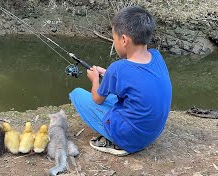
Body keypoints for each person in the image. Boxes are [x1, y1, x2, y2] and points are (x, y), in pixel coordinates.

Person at [69, 6, 172, 156]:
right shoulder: (156, 56)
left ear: (124, 40)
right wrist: (109, 75)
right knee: (114, 97)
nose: (114, 42)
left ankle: (117, 142)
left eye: (114, 39)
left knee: (77, 94)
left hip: (131, 138)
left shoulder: (118, 68)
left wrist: (95, 80)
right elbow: (136, 81)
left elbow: (97, 99)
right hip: (152, 133)